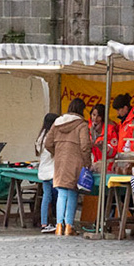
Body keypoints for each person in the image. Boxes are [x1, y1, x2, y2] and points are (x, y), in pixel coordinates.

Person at [46, 99, 91, 237]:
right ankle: (69, 226)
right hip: (75, 162)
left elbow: (47, 143)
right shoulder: (81, 125)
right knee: (72, 193)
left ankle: (59, 226)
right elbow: (85, 146)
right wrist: (87, 162)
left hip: (60, 162)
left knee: (61, 193)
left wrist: (57, 152)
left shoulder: (57, 123)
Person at [34, 111, 60, 233]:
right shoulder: (51, 137)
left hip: (43, 172)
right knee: (61, 196)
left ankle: (44, 222)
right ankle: (60, 221)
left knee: (46, 197)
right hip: (52, 171)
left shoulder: (40, 137)